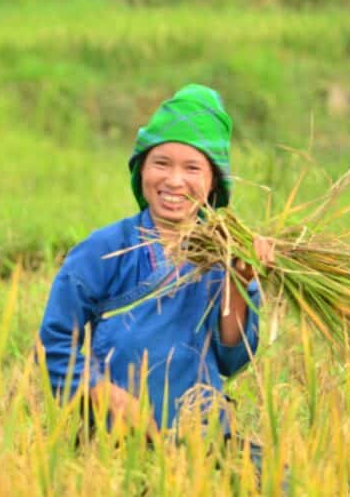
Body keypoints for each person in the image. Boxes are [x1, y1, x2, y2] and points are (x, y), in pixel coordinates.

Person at [38, 84, 273, 439]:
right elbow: (53, 343)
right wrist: (104, 394)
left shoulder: (226, 255)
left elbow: (233, 360)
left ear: (212, 184)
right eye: (161, 163)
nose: (174, 181)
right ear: (141, 171)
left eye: (192, 168)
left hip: (202, 436)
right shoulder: (104, 249)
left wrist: (239, 283)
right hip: (113, 439)